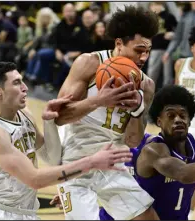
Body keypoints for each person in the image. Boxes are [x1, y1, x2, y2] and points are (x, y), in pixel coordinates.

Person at [43, 6, 159, 220]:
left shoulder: (147, 86)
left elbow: (133, 141)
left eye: (148, 50)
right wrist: (98, 100)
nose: (144, 57)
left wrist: (137, 110)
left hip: (112, 163)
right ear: (119, 43)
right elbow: (59, 117)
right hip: (76, 162)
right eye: (138, 50)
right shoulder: (89, 63)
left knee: (148, 218)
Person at [0, 62, 133, 220]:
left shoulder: (24, 114)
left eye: (22, 81)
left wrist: (49, 122)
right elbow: (35, 179)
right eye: (17, 83)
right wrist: (91, 162)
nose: (25, 87)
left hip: (26, 211)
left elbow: (51, 158)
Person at [100, 85, 195, 220]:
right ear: (159, 121)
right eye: (171, 116)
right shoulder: (153, 151)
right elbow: (183, 173)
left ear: (189, 120)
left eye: (182, 115)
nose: (178, 120)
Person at [174, 26, 195, 218]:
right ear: (192, 47)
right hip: (182, 126)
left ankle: (190, 215)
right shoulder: (180, 64)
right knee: (174, 172)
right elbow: (174, 96)